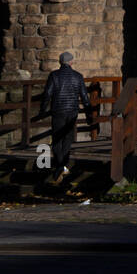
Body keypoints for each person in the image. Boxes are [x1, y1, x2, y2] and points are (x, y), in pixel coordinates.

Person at [40, 52, 93, 180]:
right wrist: (89, 114)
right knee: (68, 138)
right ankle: (62, 164)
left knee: (57, 138)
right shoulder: (78, 76)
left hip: (58, 110)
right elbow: (85, 97)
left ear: (60, 62)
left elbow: (47, 94)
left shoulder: (54, 75)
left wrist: (42, 110)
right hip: (72, 111)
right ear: (71, 62)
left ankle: (60, 165)